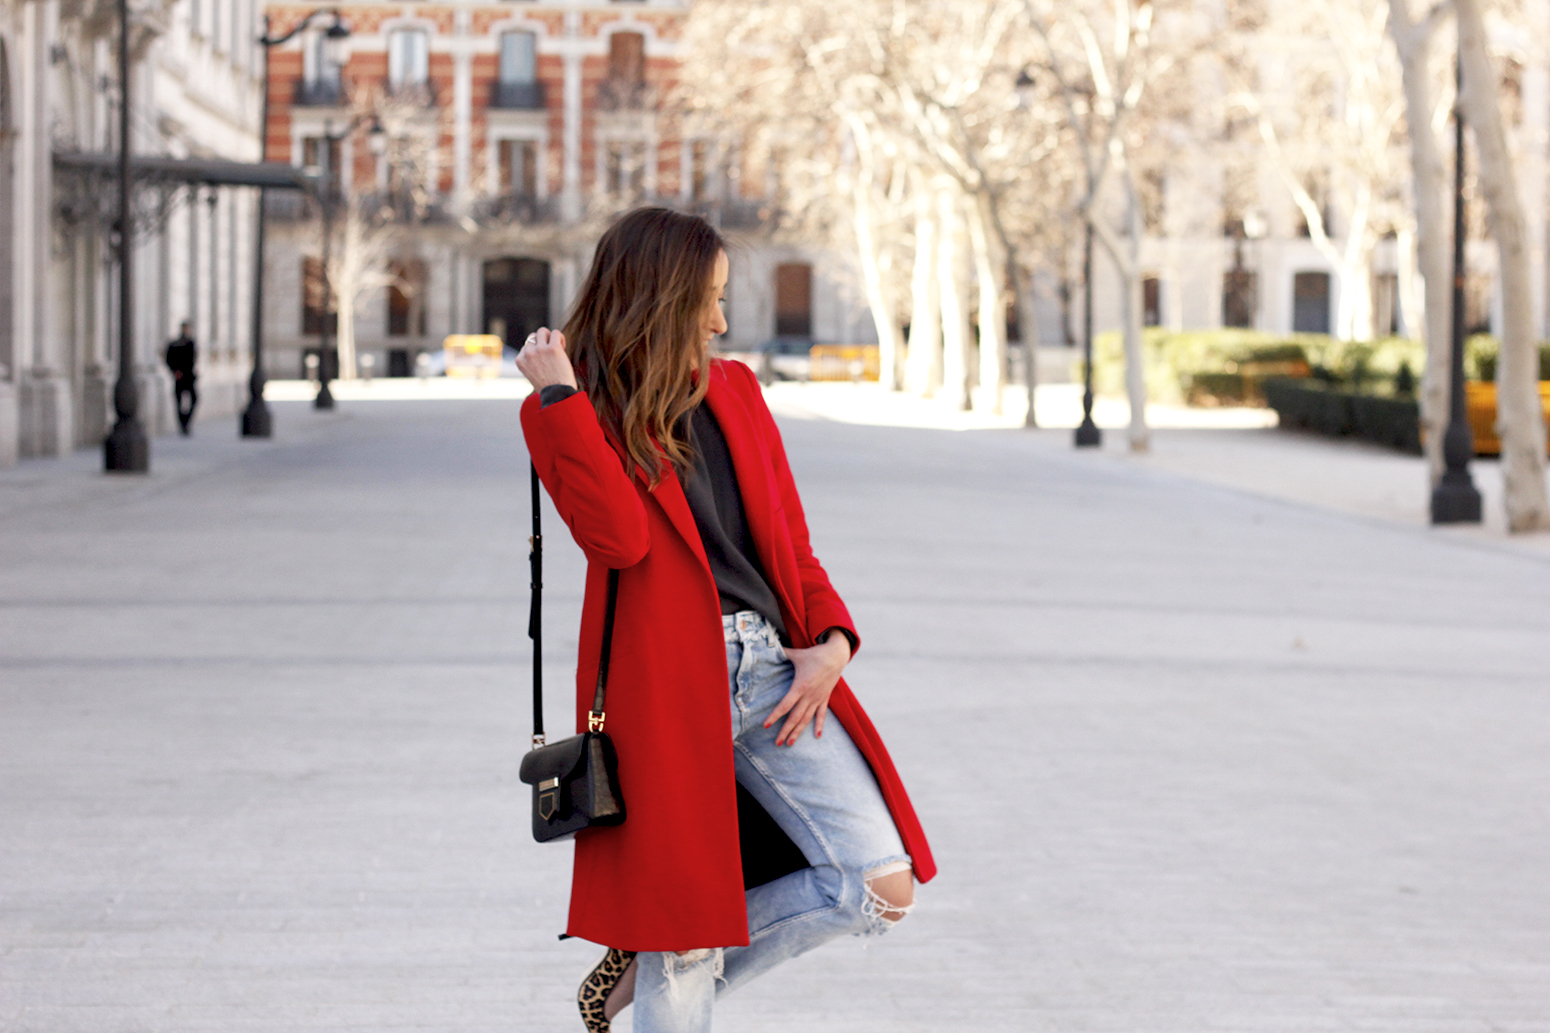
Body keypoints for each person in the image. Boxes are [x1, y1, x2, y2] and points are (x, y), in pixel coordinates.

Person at [516, 207, 936, 1033]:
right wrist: (561, 395)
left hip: (777, 674)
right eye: (705, 299)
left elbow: (793, 546)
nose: (720, 319)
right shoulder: (572, 412)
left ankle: (651, 969)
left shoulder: (739, 391)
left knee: (879, 884)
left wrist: (834, 646)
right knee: (685, 933)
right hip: (668, 692)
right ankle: (669, 962)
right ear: (656, 300)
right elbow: (620, 539)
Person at [164, 322, 198, 435]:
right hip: (179, 377)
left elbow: (193, 359)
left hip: (189, 376)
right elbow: (168, 359)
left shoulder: (191, 342)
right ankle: (183, 423)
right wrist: (175, 371)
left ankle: (185, 420)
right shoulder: (175, 343)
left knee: (194, 399)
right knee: (178, 401)